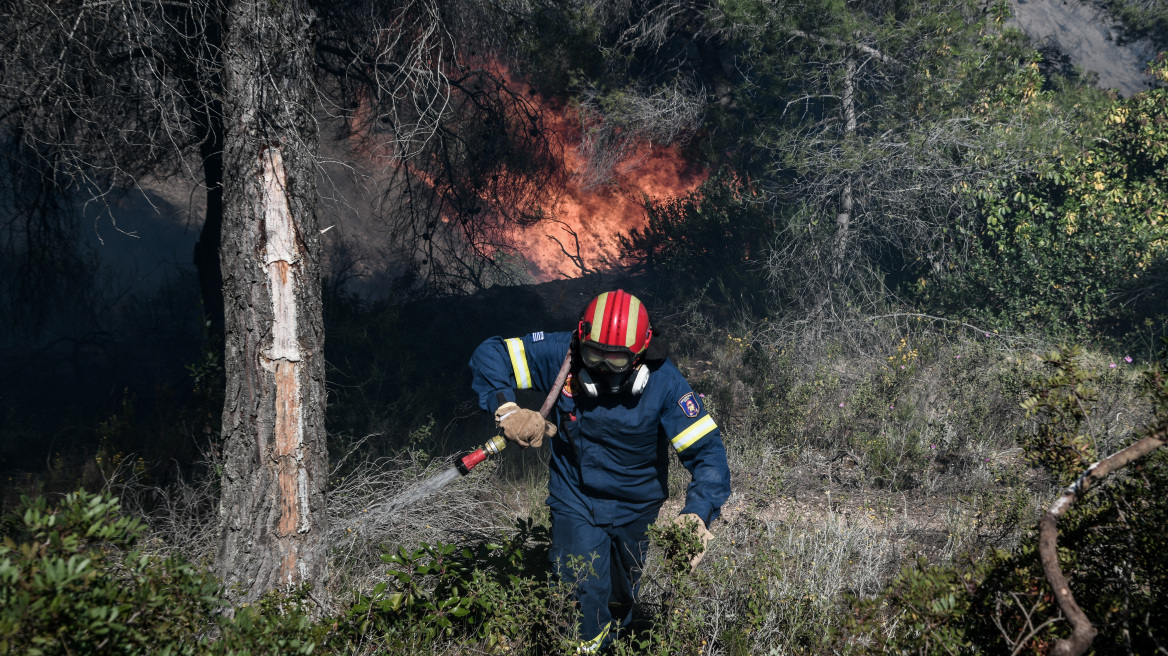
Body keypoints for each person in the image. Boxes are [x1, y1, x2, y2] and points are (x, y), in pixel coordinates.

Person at [469, 289, 731, 652]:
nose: (603, 369)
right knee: (581, 595)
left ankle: (617, 642)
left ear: (639, 356)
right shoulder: (564, 353)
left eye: (617, 361)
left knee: (620, 599)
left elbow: (709, 456)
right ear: (582, 339)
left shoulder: (666, 383)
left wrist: (698, 515)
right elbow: (492, 352)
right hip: (575, 499)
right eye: (595, 355)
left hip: (636, 507)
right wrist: (507, 409)